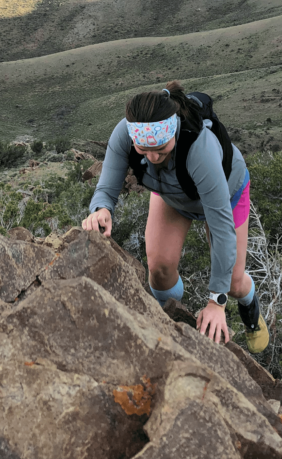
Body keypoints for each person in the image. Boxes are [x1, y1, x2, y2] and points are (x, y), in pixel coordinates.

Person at [82, 81, 269, 353]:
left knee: (232, 283)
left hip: (226, 195)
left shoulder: (199, 149)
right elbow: (107, 188)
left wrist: (217, 302)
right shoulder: (125, 134)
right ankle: (166, 317)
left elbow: (221, 226)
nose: (154, 157)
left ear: (173, 132)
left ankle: (250, 307)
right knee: (159, 269)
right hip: (173, 195)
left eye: (162, 148)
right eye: (144, 150)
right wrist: (101, 209)